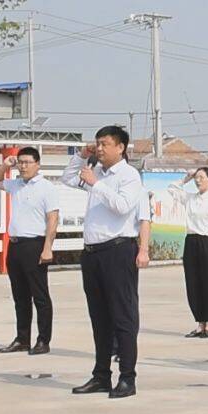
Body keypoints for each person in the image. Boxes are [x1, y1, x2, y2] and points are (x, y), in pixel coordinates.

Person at [61, 126, 150, 398]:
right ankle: (101, 375)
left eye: (105, 144)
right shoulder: (96, 171)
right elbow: (67, 178)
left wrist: (96, 184)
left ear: (120, 147)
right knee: (99, 317)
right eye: (97, 144)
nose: (99, 149)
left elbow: (123, 206)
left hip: (118, 251)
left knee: (122, 316)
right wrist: (80, 155)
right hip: (92, 253)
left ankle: (127, 378)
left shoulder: (129, 175)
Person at [0, 146, 60, 354]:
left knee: (40, 296)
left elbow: (53, 219)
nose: (23, 166)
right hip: (15, 245)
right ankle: (22, 339)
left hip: (35, 245)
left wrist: (47, 248)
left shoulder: (46, 188)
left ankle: (43, 340)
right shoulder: (16, 185)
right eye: (20, 162)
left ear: (37, 164)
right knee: (20, 296)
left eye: (27, 162)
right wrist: (5, 165)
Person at [168, 167, 208, 339]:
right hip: (191, 242)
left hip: (207, 243)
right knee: (193, 284)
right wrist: (187, 177)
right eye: (196, 177)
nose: (198, 180)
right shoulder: (191, 198)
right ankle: (200, 323)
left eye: (202, 177)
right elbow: (171, 188)